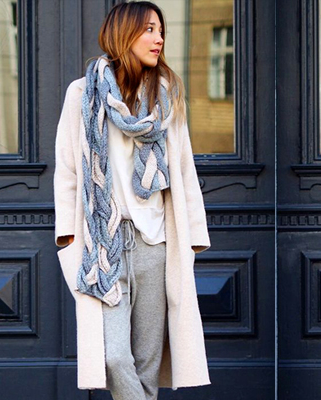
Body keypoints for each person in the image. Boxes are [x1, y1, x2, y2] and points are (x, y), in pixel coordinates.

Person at [53, 1, 212, 399]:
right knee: (113, 357)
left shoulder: (166, 98)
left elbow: (184, 169)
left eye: (161, 31)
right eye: (149, 29)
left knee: (146, 363)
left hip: (155, 244)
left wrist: (194, 236)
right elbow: (68, 170)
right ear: (124, 34)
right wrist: (68, 237)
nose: (159, 39)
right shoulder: (82, 94)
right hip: (102, 245)